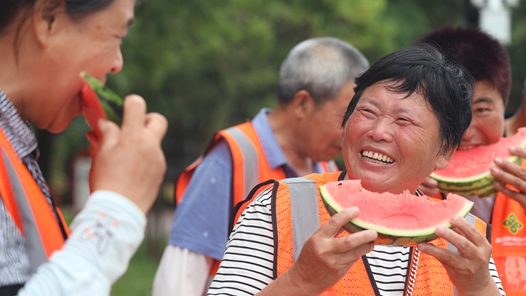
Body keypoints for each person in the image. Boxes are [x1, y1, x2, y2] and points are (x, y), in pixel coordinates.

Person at [207, 44, 506, 295]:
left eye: (403, 121)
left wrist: (480, 287)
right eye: (367, 111)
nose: (378, 131)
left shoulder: (467, 240)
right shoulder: (275, 208)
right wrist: (300, 282)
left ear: (444, 151)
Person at [153, 37, 369, 295]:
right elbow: (178, 281)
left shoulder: (325, 165)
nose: (351, 132)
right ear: (302, 104)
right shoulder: (230, 159)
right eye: (345, 116)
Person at [0, 0, 167, 295]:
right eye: (116, 35)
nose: (118, 63)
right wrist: (114, 212)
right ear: (48, 19)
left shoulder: (13, 148)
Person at [416, 26, 526, 294]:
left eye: (482, 110)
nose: (465, 131)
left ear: (505, 103)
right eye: (452, 113)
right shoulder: (401, 179)